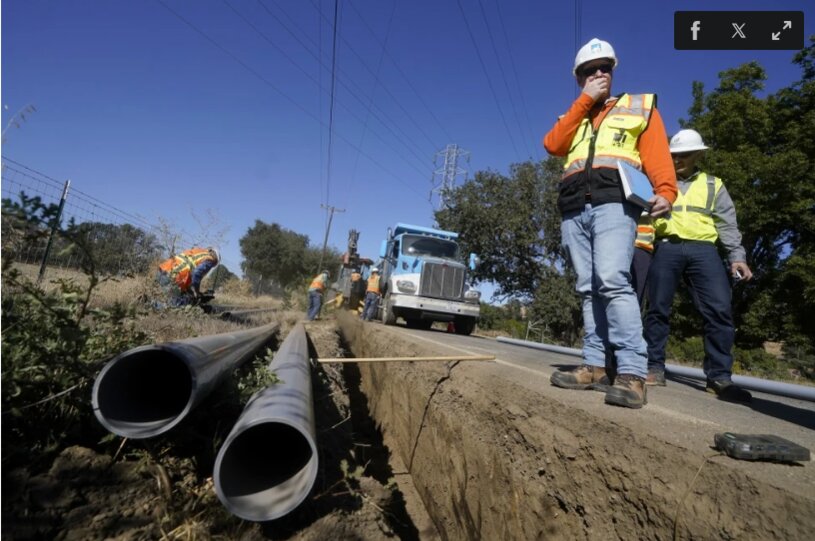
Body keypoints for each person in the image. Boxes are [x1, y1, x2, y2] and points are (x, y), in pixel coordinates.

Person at [543, 38, 677, 408]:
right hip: (574, 208)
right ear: (580, 78)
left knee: (614, 281)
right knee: (588, 288)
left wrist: (666, 190)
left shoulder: (638, 107)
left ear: (613, 71)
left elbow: (657, 153)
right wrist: (584, 101)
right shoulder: (574, 115)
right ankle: (595, 365)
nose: (599, 73)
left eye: (605, 67)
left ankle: (632, 373)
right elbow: (552, 145)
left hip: (614, 204)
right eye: (590, 70)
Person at [644, 129, 753, 402]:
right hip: (666, 247)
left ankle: (719, 378)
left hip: (704, 250)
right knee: (657, 308)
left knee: (719, 310)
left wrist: (737, 257)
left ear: (699, 155)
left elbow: (727, 224)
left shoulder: (713, 184)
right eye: (674, 155)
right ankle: (654, 367)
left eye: (685, 154)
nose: (678, 160)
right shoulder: (656, 182)